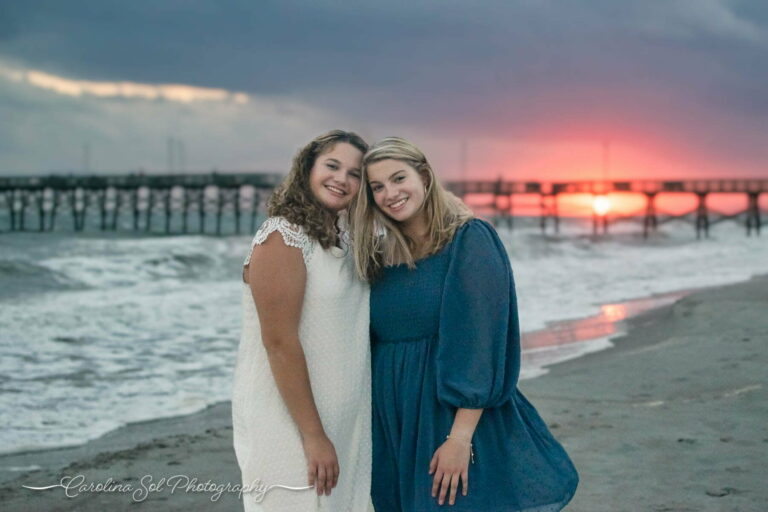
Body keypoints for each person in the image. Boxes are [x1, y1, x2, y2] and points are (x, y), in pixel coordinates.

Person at [350, 137, 579, 511]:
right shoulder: (377, 254)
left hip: (447, 411)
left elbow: (482, 342)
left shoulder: (469, 239)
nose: (390, 193)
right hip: (391, 417)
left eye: (398, 178)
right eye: (377, 187)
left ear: (424, 176)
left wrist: (459, 438)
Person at [232, 130, 374, 512]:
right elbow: (279, 343)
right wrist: (313, 436)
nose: (342, 179)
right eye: (332, 165)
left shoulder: (343, 239)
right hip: (290, 420)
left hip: (342, 415)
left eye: (355, 173)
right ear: (307, 168)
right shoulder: (283, 237)